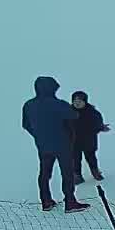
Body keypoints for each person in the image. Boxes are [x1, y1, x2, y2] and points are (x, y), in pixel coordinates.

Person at [22, 76, 87, 213]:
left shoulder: (28, 105)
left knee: (44, 173)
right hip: (62, 144)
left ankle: (46, 202)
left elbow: (26, 125)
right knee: (67, 172)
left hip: (43, 145)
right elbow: (74, 115)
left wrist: (38, 135)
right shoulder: (58, 104)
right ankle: (70, 202)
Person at [70, 91, 109, 182]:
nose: (77, 102)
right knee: (75, 159)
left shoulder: (92, 112)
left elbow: (97, 124)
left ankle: (95, 172)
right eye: (75, 100)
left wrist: (101, 127)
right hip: (73, 141)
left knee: (91, 157)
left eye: (80, 100)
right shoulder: (68, 112)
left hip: (89, 140)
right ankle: (77, 175)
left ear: (85, 101)